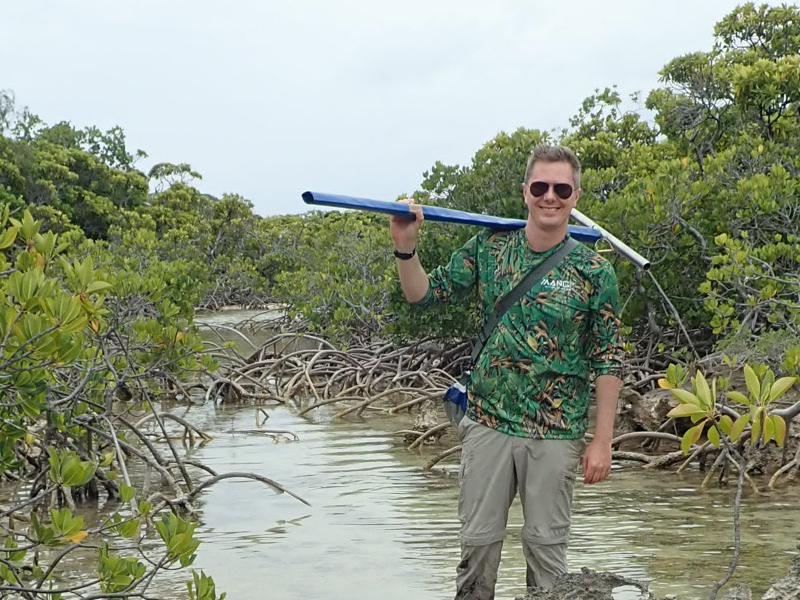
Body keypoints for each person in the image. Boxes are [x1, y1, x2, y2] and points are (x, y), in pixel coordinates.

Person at [390, 145, 624, 599]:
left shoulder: (595, 270)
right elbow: (424, 294)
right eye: (540, 187)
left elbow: (609, 358)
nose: (549, 197)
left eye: (560, 188)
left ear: (575, 196)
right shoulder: (490, 247)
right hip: (488, 423)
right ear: (525, 192)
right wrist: (406, 248)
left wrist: (602, 441)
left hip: (557, 433)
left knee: (547, 556)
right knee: (477, 550)